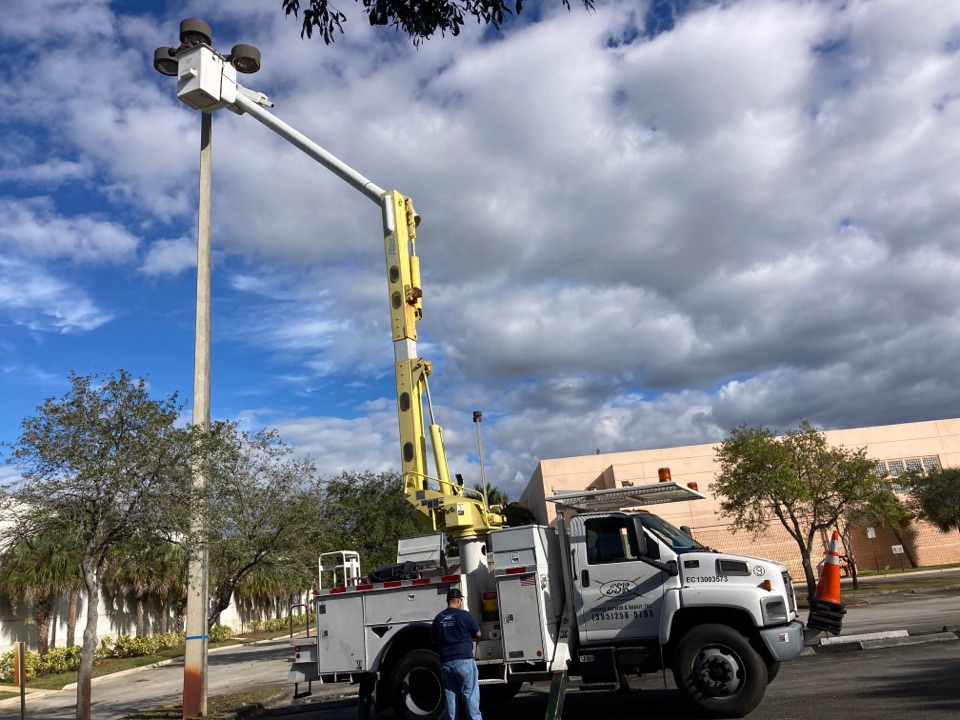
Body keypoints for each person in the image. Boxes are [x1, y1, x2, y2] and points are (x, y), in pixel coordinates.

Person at [431, 587, 482, 720]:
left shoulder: (438, 618)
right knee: (470, 696)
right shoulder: (465, 615)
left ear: (447, 600)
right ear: (459, 601)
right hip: (464, 661)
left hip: (446, 663)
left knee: (450, 698)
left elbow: (434, 639)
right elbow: (478, 634)